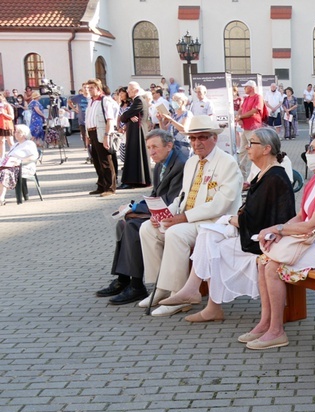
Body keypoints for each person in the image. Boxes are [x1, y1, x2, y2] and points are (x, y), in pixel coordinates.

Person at [158, 128, 296, 322]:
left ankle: (202, 298)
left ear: (266, 149)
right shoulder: (263, 173)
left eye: (252, 143)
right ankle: (201, 298)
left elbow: (265, 219)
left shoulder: (274, 176)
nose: (246, 147)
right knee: (208, 236)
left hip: (266, 238)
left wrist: (233, 219)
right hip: (256, 231)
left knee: (211, 241)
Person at [246, 132, 315, 349]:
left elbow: (312, 225)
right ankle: (266, 322)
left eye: (311, 149)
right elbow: (302, 217)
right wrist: (278, 233)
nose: (306, 152)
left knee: (273, 267)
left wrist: (278, 228)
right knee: (263, 261)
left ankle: (276, 331)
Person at [139, 115, 243, 317]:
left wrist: (183, 218)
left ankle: (179, 294)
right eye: (193, 139)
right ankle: (161, 287)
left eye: (202, 137)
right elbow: (182, 196)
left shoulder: (227, 163)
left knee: (175, 233)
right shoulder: (192, 162)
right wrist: (165, 213)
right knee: (147, 228)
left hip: (215, 224)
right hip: (190, 221)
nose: (196, 143)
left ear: (214, 138)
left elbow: (221, 204)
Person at [96, 130, 187, 304]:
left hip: (173, 214)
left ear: (169, 146)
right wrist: (132, 207)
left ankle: (137, 285)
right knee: (123, 223)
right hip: (160, 210)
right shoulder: (161, 162)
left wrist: (136, 207)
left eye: (155, 147)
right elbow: (155, 194)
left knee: (133, 225)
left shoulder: (180, 164)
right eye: (149, 148)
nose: (151, 152)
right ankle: (123, 279)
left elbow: (170, 201)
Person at [84, 79, 119, 196]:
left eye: (91, 88)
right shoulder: (91, 101)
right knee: (96, 161)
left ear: (98, 89)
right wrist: (87, 135)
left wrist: (106, 136)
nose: (89, 90)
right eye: (88, 88)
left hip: (101, 132)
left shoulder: (105, 100)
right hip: (92, 132)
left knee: (106, 161)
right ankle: (101, 185)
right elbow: (88, 119)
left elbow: (110, 119)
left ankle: (110, 187)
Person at [118, 82, 151, 189]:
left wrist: (127, 116)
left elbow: (124, 116)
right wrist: (129, 116)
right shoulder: (136, 101)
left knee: (134, 155)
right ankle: (136, 180)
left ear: (136, 90)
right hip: (135, 131)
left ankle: (131, 181)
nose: (127, 91)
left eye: (129, 89)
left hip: (138, 132)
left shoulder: (139, 100)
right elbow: (128, 115)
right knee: (135, 156)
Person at [0, 125, 37, 206]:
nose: (15, 134)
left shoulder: (29, 143)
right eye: (15, 132)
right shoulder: (15, 145)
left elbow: (34, 156)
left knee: (4, 172)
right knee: (3, 170)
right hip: (11, 166)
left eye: (18, 132)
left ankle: (1, 198)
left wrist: (20, 161)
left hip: (24, 167)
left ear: (24, 134)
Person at [235, 80, 265, 175]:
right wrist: (238, 116)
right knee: (243, 150)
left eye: (246, 87)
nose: (244, 89)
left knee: (255, 150)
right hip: (245, 127)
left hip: (253, 127)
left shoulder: (258, 97)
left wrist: (240, 117)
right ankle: (241, 172)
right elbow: (241, 109)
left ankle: (257, 172)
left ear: (251, 88)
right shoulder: (247, 98)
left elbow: (255, 110)